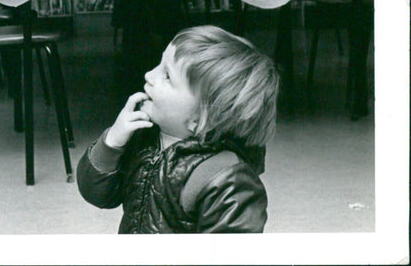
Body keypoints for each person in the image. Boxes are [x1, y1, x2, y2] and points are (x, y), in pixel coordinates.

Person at [77, 25, 278, 233]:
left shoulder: (226, 181)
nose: (148, 75)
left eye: (167, 76)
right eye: (159, 64)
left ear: (199, 119)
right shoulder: (142, 135)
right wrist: (112, 143)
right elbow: (97, 194)